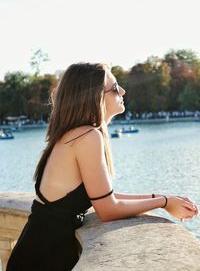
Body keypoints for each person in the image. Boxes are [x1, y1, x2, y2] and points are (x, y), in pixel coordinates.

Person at [7, 62, 198, 271]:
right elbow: (108, 209)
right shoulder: (87, 136)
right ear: (95, 97)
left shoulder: (76, 134)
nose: (123, 91)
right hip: (41, 260)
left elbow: (104, 197)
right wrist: (163, 202)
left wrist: (161, 198)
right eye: (115, 88)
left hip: (40, 252)